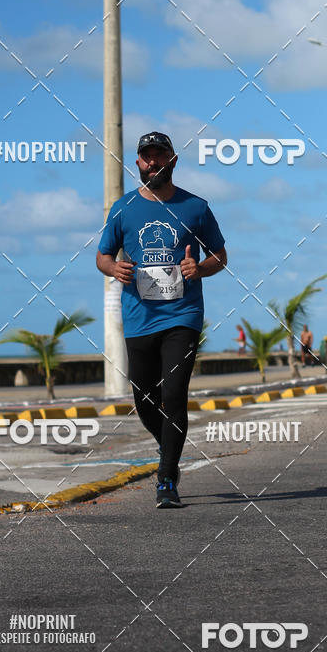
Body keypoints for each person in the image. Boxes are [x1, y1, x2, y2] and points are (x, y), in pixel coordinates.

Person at [96, 131, 227, 508]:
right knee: (145, 400)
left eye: (159, 156)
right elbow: (102, 256)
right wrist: (114, 269)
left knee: (173, 394)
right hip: (139, 317)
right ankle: (169, 446)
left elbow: (220, 256)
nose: (152, 162)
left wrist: (198, 268)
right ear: (138, 163)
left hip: (182, 317)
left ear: (172, 160)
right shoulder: (122, 209)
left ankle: (166, 478)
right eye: (146, 157)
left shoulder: (196, 207)